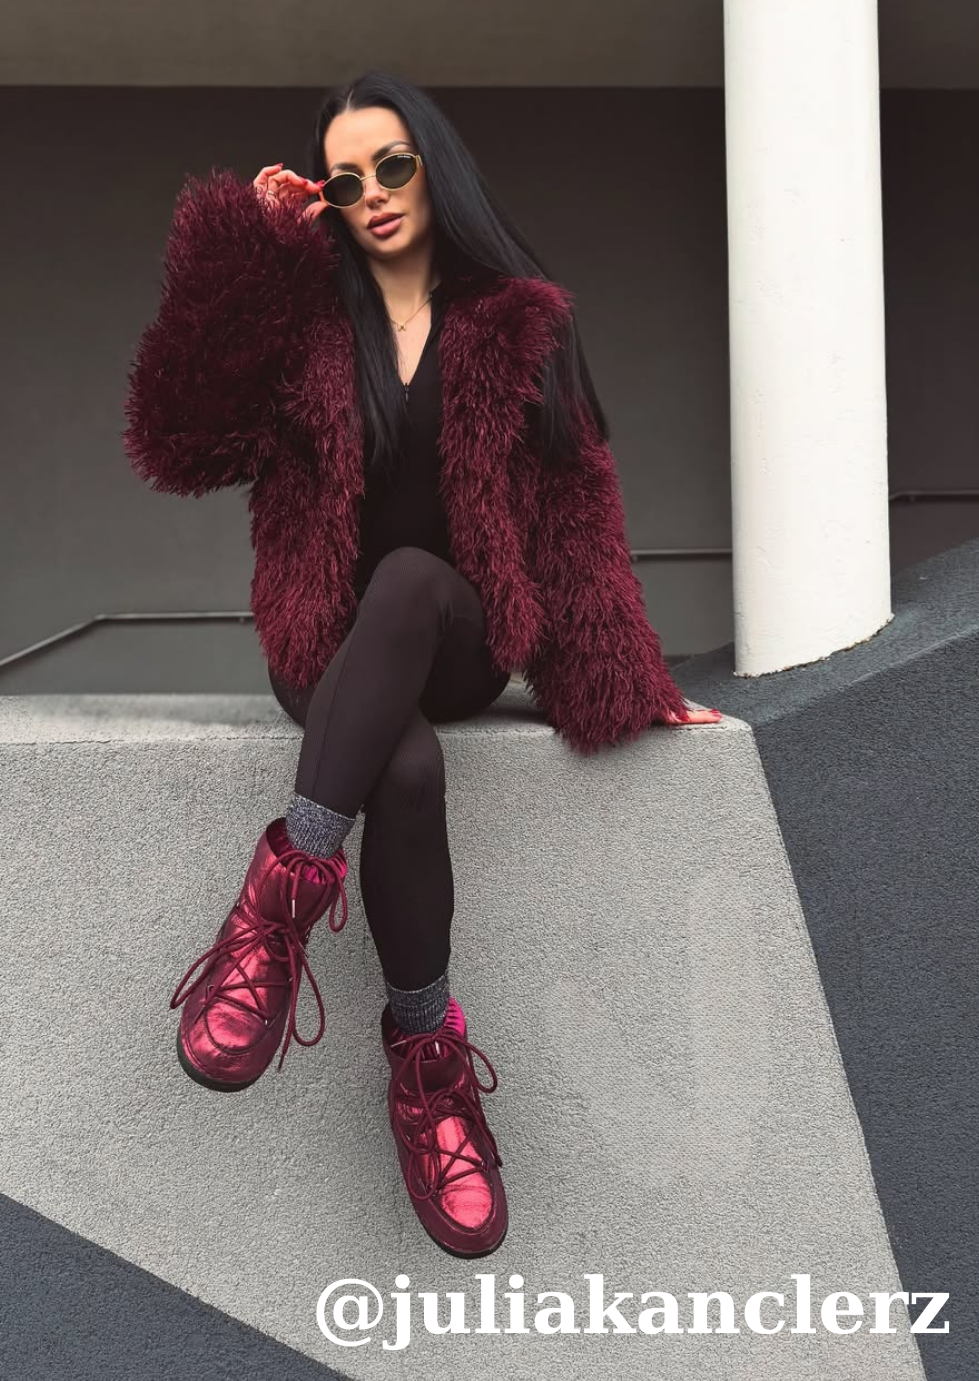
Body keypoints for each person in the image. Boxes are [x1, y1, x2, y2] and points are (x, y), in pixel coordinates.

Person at [123, 70, 722, 1259]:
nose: (377, 194)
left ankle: (278, 906)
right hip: (322, 642)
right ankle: (426, 1060)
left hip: (453, 637)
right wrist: (249, 250)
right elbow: (179, 440)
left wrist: (629, 682)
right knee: (400, 771)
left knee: (406, 577)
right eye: (347, 180)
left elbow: (576, 516)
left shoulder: (518, 324)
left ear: (435, 167)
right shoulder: (302, 323)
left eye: (393, 165)